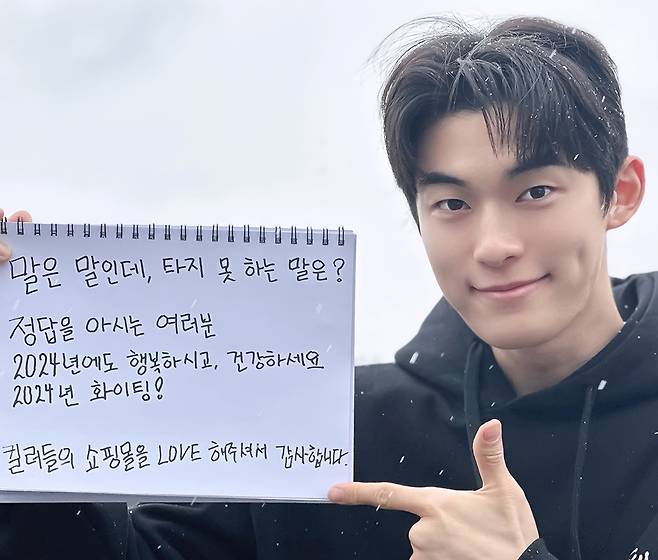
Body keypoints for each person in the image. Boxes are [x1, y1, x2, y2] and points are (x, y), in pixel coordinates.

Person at [0, 13, 655, 560]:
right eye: (452, 204)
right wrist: (18, 411)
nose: (493, 245)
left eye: (535, 192)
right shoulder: (331, 427)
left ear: (620, 194)